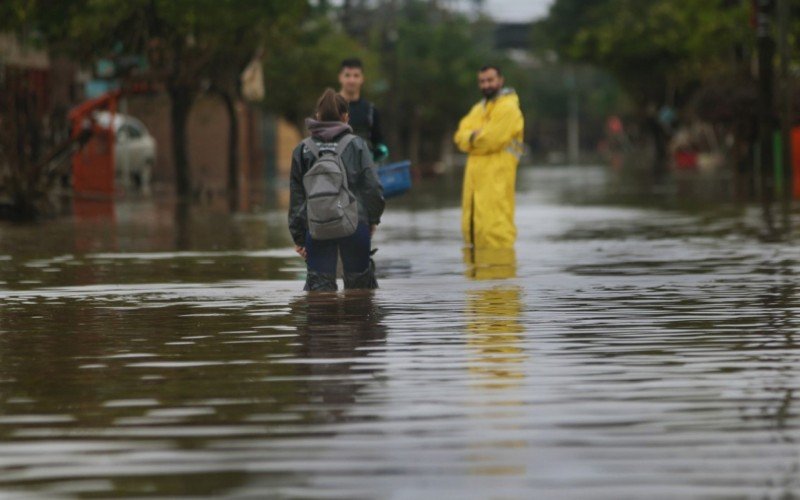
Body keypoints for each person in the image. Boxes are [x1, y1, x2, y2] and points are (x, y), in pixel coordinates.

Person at [288, 88, 385, 291]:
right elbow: (373, 189)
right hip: (355, 225)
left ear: (317, 117)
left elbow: (297, 198)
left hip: (316, 229)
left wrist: (299, 237)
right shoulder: (358, 145)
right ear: (346, 117)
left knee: (319, 299)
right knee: (361, 297)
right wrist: (372, 220)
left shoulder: (302, 150)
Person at [453, 65, 524, 250]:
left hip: (497, 191)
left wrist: (473, 138)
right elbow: (459, 136)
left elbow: (491, 140)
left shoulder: (509, 109)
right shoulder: (478, 109)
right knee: (473, 245)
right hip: (474, 197)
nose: (486, 85)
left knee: (497, 242)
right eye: (482, 81)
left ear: (501, 80)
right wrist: (472, 137)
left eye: (490, 80)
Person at [338, 58, 389, 162]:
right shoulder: (328, 108)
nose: (351, 80)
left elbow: (379, 144)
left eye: (356, 75)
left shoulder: (371, 111)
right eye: (347, 75)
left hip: (364, 171)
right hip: (335, 171)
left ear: (362, 79)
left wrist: (378, 154)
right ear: (340, 77)